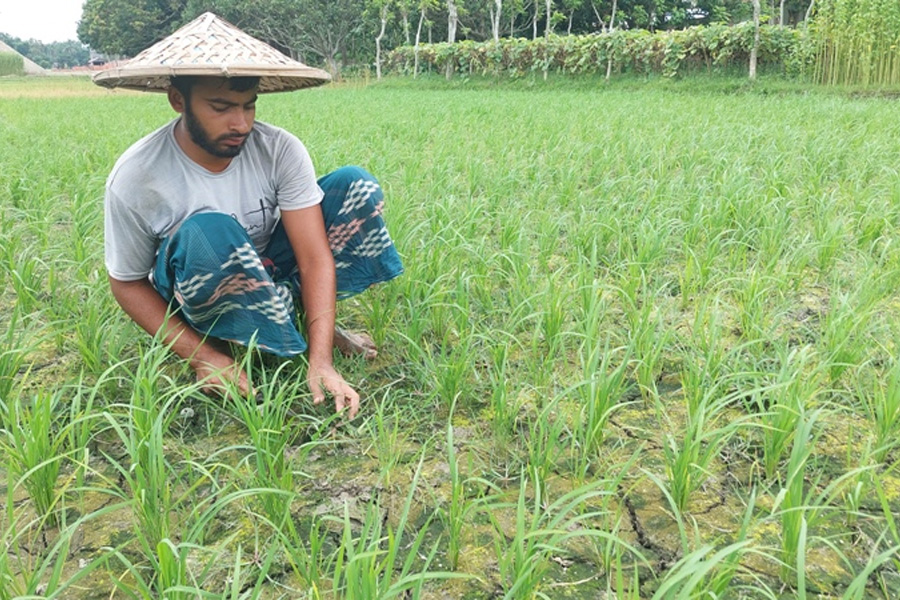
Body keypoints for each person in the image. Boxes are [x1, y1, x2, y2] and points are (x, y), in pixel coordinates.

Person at [95, 13, 403, 419]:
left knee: (353, 186)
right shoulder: (138, 176)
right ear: (177, 100)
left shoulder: (280, 149)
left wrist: (322, 358)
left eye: (248, 106)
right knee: (211, 230)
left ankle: (302, 327)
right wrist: (200, 356)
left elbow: (313, 257)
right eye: (220, 107)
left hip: (269, 269)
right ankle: (222, 343)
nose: (240, 123)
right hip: (198, 286)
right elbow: (127, 282)